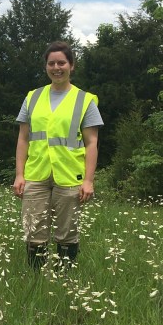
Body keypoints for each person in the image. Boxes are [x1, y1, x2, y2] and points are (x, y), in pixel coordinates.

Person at [13, 41, 102, 269]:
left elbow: (92, 143)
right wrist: (19, 174)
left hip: (69, 175)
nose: (56, 67)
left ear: (71, 65)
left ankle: (65, 281)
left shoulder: (85, 100)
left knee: (67, 232)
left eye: (61, 62)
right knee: (34, 230)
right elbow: (23, 138)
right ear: (46, 67)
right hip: (36, 174)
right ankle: (37, 279)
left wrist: (89, 180)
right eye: (51, 63)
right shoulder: (32, 97)